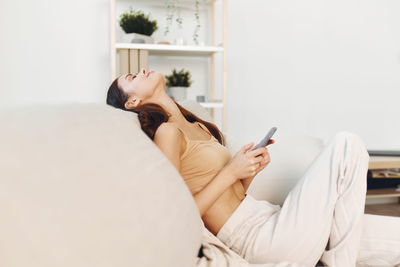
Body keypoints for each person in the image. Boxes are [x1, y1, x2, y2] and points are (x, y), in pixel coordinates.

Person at [106, 68, 400, 267]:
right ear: (133, 101)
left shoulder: (197, 125)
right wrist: (231, 171)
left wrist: (247, 172)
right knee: (347, 144)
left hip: (271, 218)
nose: (143, 70)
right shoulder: (168, 133)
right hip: (257, 241)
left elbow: (231, 195)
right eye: (132, 76)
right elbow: (178, 214)